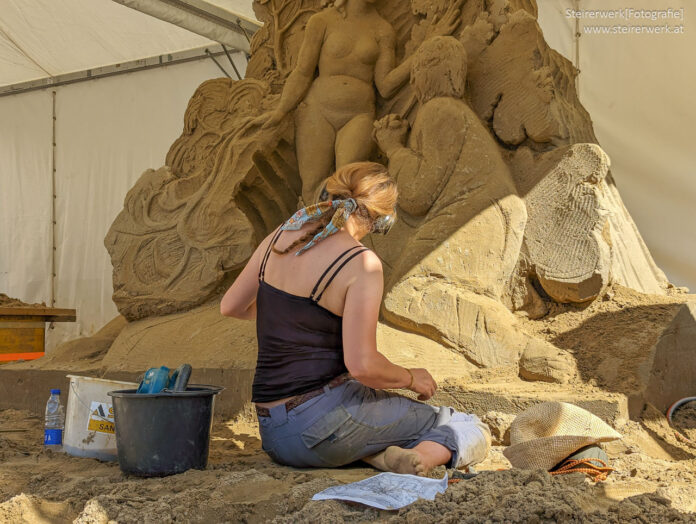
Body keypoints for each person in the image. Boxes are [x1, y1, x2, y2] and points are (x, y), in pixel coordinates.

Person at [220, 161, 490, 475]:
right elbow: (362, 366)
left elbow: (231, 306)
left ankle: (387, 457)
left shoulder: (281, 236)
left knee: (365, 419)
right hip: (321, 431)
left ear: (327, 195)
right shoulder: (361, 263)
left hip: (274, 435)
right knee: (466, 426)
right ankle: (422, 459)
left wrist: (291, 321)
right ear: (383, 220)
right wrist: (411, 377)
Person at [257, 0, 461, 204]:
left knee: (347, 181)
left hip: (358, 115)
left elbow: (386, 86)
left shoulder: (383, 30)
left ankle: (338, 232)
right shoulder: (322, 21)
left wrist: (424, 48)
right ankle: (313, 234)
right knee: (311, 183)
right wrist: (281, 111)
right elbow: (302, 72)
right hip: (317, 112)